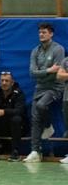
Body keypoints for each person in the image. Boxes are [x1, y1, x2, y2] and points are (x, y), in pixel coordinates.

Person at [24, 22, 65, 162]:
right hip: (39, 88)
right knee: (35, 118)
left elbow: (58, 73)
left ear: (51, 34)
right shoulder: (35, 51)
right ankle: (36, 151)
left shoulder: (58, 49)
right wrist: (48, 70)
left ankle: (48, 126)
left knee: (41, 105)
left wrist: (43, 73)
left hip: (55, 87)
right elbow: (32, 72)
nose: (41, 34)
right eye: (40, 32)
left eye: (44, 32)